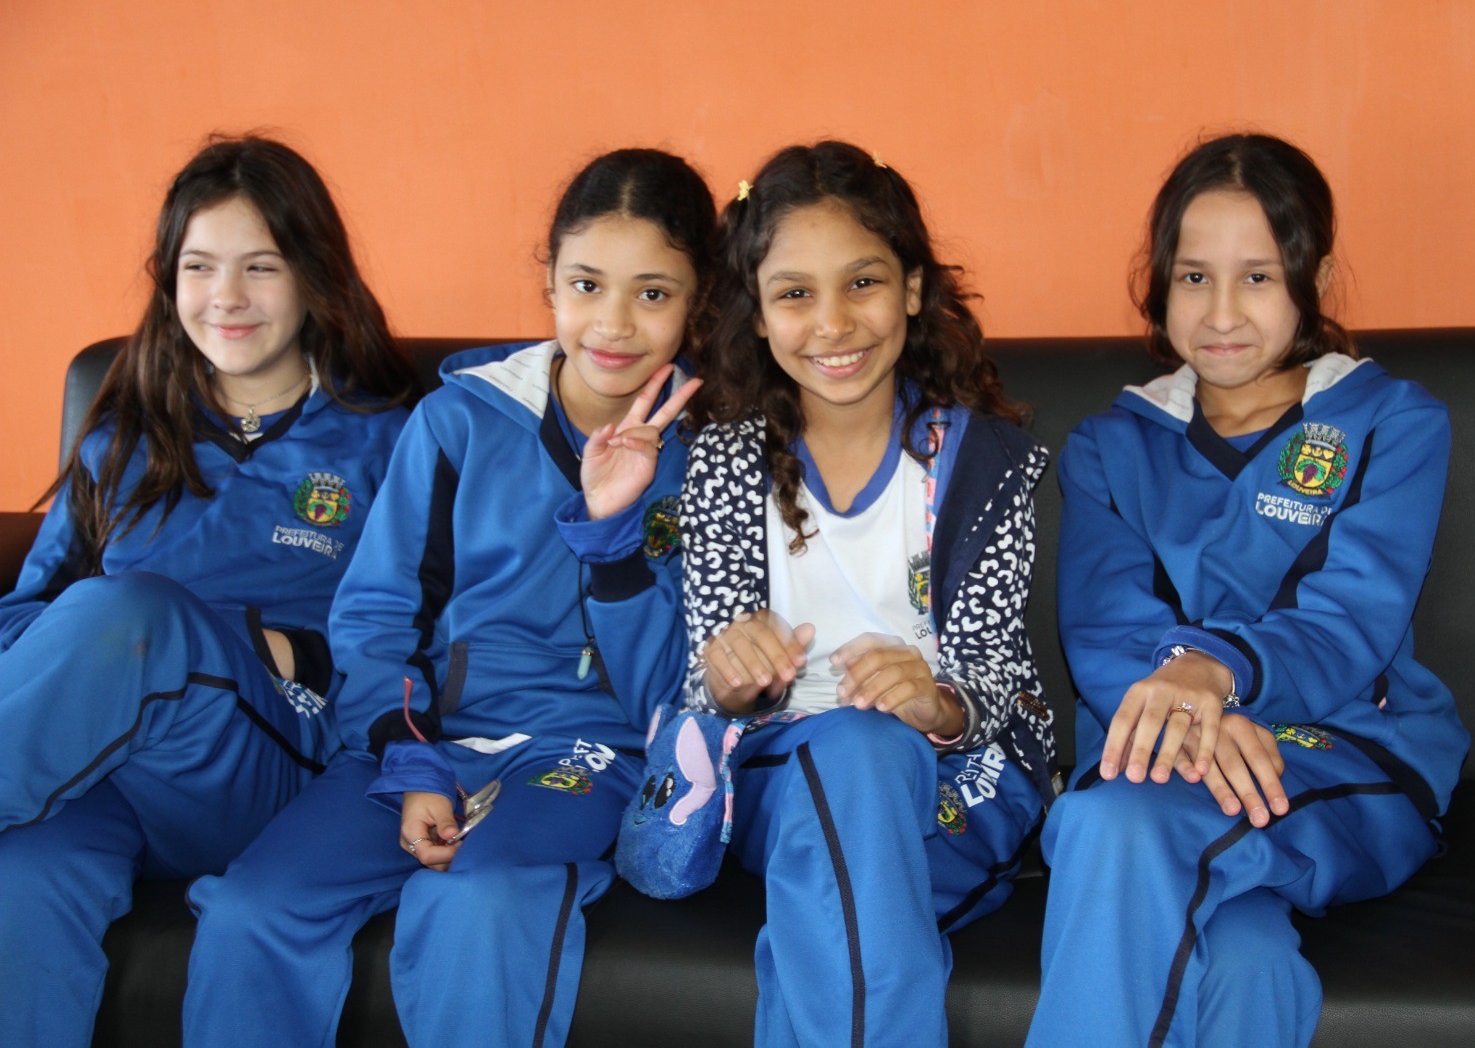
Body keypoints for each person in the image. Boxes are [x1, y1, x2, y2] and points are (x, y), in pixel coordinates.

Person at [183, 147, 715, 1048]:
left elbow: (670, 691)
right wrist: (412, 761)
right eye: (586, 285)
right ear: (548, 281)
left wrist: (612, 539)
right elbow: (376, 616)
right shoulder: (459, 419)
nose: (614, 323)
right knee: (250, 910)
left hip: (590, 752)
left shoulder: (718, 448)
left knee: (478, 899)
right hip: (425, 741)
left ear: (698, 302)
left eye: (654, 293)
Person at [1028, 133, 1468, 1047]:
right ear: (1160, 281)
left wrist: (1213, 673)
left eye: (1258, 277)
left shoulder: (1392, 422)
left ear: (1316, 278)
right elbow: (1106, 633)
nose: (1221, 311)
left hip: (1345, 754)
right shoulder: (1111, 444)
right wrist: (1195, 711)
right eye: (1194, 277)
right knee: (1245, 961)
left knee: (1110, 829)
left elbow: (1351, 621)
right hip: (1158, 759)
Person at [0, 134, 417, 1046]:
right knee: (19, 877)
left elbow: (430, 630)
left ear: (313, 275)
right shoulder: (124, 435)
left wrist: (301, 652)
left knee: (134, 609)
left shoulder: (389, 440)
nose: (225, 296)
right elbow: (24, 614)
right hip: (109, 769)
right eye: (199, 267)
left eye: (259, 266)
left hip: (275, 760)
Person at [683, 140, 1057, 1046]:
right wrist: (729, 679)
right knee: (850, 762)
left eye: (863, 283)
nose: (834, 322)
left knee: (834, 900)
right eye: (794, 294)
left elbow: (998, 667)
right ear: (758, 315)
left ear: (914, 289)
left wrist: (938, 702)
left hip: (958, 778)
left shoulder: (983, 462)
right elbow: (704, 682)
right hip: (781, 778)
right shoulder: (722, 462)